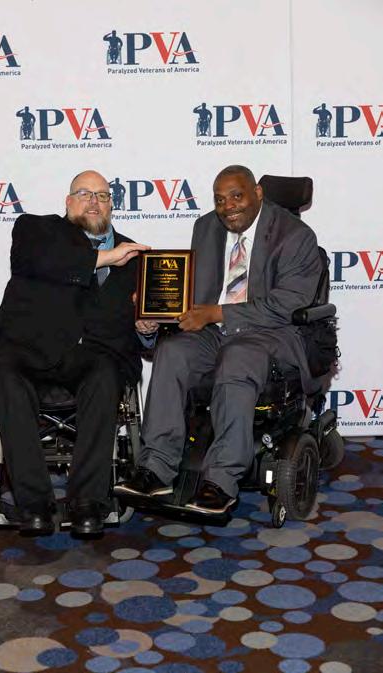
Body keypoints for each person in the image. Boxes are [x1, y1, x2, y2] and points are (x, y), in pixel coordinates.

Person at [116, 165, 322, 514]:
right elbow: (196, 294)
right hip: (215, 332)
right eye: (220, 200)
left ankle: (220, 481)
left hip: (271, 334)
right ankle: (156, 467)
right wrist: (158, 307)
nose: (228, 207)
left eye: (237, 196)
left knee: (237, 358)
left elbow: (286, 305)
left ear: (258, 193)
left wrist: (217, 313)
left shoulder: (296, 236)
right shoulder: (207, 227)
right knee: (172, 352)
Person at [0, 170, 151, 536]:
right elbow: (49, 262)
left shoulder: (138, 256)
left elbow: (145, 327)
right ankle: (33, 504)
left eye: (102, 195)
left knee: (105, 374)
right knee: (6, 377)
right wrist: (106, 257)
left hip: (93, 357)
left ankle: (87, 502)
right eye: (85, 193)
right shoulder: (36, 231)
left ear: (112, 205)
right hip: (28, 349)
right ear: (68, 201)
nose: (94, 201)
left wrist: (148, 329)